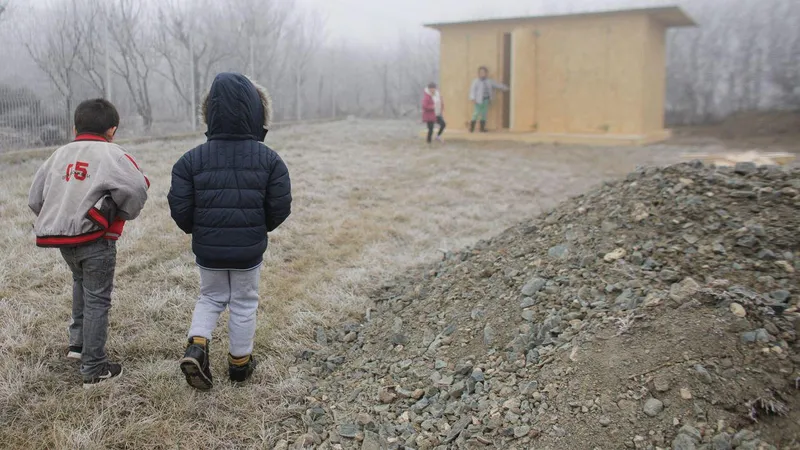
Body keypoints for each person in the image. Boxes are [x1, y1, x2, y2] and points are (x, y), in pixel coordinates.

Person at [168, 72, 292, 391]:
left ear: (210, 113)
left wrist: (199, 230)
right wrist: (256, 229)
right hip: (248, 250)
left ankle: (197, 344)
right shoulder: (271, 160)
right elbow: (280, 207)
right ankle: (239, 365)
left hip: (207, 249)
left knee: (210, 297)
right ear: (257, 112)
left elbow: (180, 208)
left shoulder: (189, 161)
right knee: (244, 302)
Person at [27, 99, 150, 388]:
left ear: (75, 127)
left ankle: (78, 345)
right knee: (97, 298)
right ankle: (94, 368)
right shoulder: (112, 154)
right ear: (112, 130)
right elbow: (137, 188)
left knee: (80, 284)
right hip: (95, 238)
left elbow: (35, 198)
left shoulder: (57, 155)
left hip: (62, 239)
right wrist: (119, 215)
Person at [469, 66, 508, 133]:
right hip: (478, 100)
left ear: (486, 73)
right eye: (481, 72)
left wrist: (505, 88)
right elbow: (472, 90)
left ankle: (482, 128)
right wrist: (473, 98)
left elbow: (497, 85)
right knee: (476, 113)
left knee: (484, 114)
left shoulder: (489, 81)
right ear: (478, 73)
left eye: (484, 72)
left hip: (486, 100)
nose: (482, 74)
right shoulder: (475, 81)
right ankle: (472, 128)